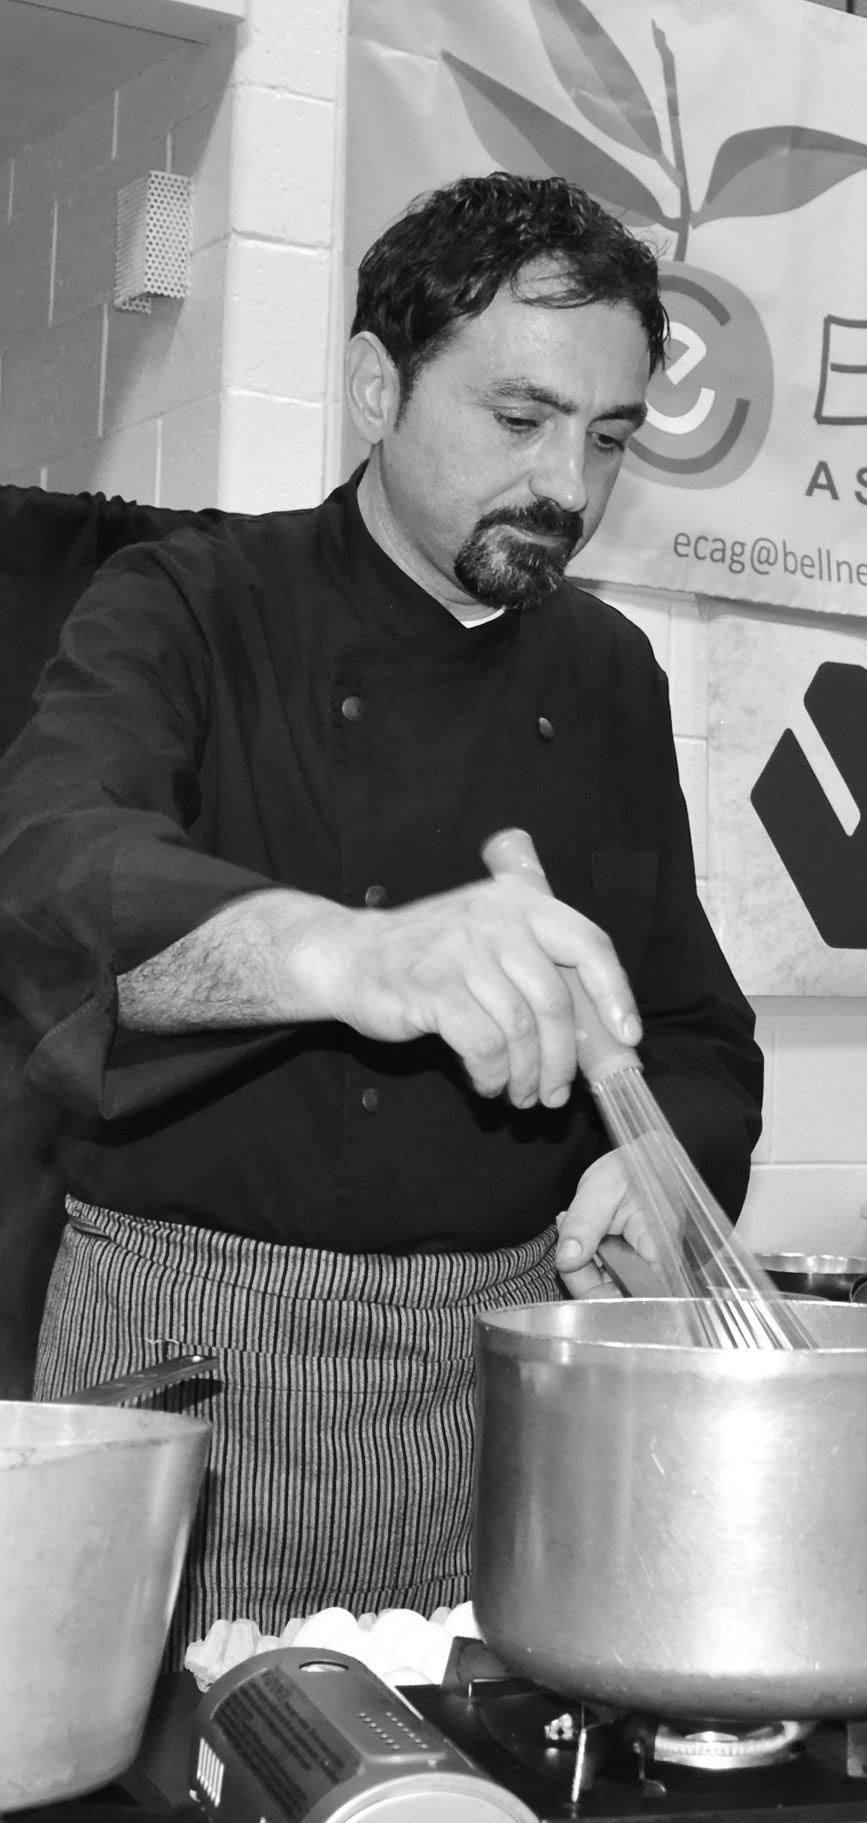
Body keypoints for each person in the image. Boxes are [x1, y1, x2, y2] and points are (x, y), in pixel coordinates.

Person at [0, 173, 763, 1656]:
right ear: (374, 385)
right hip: (184, 1356)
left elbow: (688, 1026)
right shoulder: (190, 603)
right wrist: (349, 953)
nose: (568, 486)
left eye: (610, 437)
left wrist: (664, 1167)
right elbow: (49, 870)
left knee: (471, 1748)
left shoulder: (607, 673)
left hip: (491, 1374)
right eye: (521, 417)